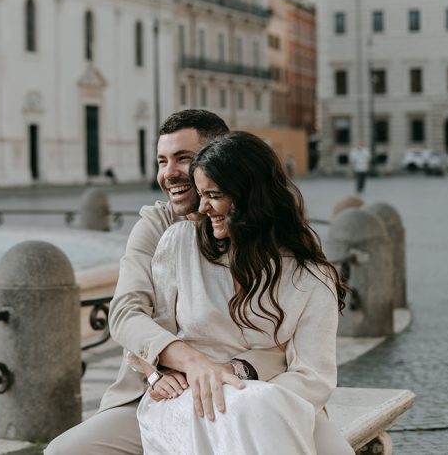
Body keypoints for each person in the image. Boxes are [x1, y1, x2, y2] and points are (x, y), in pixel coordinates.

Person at [46, 111, 351, 455]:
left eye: (183, 159)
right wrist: (172, 368)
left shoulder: (307, 275)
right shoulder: (167, 233)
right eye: (161, 161)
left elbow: (304, 366)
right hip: (171, 388)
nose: (169, 174)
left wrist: (232, 376)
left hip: (268, 394)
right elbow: (129, 316)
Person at [134, 132, 351, 454]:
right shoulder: (180, 244)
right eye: (201, 194)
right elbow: (150, 332)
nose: (203, 207)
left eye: (214, 195)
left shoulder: (311, 277)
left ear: (251, 196)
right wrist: (156, 376)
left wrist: (243, 387)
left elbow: (314, 378)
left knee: (271, 416)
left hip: (276, 402)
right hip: (188, 399)